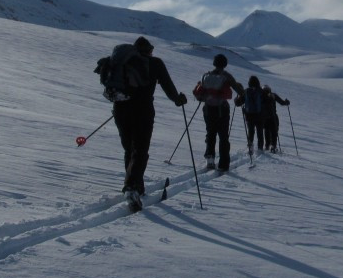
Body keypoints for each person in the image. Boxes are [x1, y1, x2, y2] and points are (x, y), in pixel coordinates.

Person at [98, 36, 187, 202]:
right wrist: (178, 99)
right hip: (143, 110)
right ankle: (132, 188)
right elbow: (168, 86)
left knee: (129, 149)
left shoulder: (120, 63)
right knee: (140, 150)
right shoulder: (155, 63)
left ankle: (136, 186)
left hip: (120, 108)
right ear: (149, 50)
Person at [193, 54, 244, 171]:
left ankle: (210, 160)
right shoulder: (226, 76)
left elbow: (199, 92)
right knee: (223, 136)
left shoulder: (206, 76)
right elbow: (240, 91)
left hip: (208, 109)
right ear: (225, 64)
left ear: (214, 63)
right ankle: (223, 165)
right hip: (222, 110)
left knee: (210, 133)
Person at [237, 75, 265, 153]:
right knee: (260, 132)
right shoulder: (261, 91)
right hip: (259, 115)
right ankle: (260, 148)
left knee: (251, 131)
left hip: (249, 115)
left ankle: (250, 147)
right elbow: (266, 101)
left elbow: (238, 103)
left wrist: (237, 98)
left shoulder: (246, 91)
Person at [262, 84, 289, 153]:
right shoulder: (273, 95)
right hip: (273, 116)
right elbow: (282, 102)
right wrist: (286, 102)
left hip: (264, 117)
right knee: (274, 131)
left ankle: (267, 145)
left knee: (266, 131)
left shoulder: (261, 96)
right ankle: (273, 146)